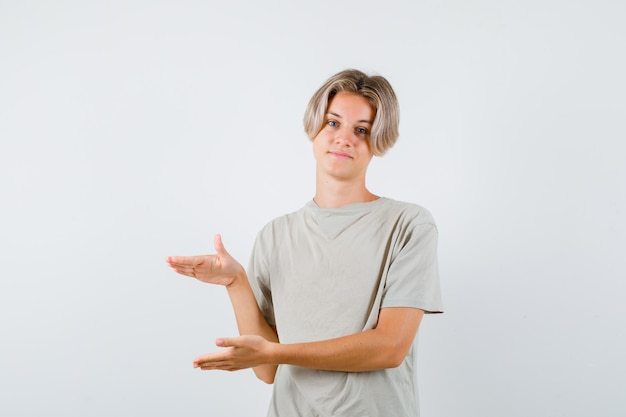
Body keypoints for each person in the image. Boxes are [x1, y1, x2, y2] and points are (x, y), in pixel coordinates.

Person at [166, 69, 443, 417]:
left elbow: (389, 348)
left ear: (378, 141)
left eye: (361, 130)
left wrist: (276, 353)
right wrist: (236, 282)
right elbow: (266, 370)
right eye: (332, 123)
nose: (344, 138)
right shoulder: (275, 235)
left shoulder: (408, 225)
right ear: (314, 129)